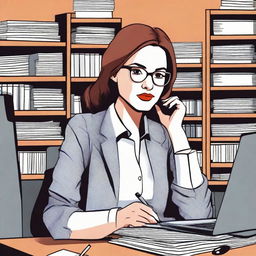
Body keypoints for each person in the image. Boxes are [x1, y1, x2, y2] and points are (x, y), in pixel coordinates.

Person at [43, 23, 212, 239]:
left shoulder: (163, 136)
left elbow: (199, 216)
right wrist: (117, 219)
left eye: (159, 75)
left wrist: (177, 134)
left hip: (156, 247)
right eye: (137, 72)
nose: (149, 85)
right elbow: (56, 216)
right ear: (114, 73)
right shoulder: (84, 129)